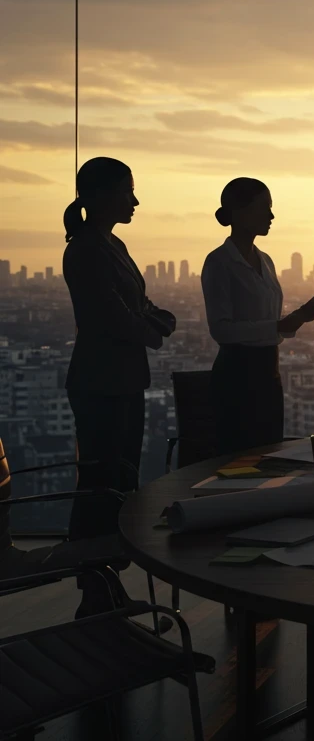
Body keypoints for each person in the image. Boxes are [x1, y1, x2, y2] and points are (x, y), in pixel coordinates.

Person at [62, 156, 175, 615]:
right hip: (102, 380)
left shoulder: (110, 244)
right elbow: (112, 316)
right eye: (127, 191)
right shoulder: (87, 249)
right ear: (100, 196)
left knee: (117, 480)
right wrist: (152, 330)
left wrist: (152, 319)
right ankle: (96, 585)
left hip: (120, 379)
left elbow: (134, 305)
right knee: (100, 485)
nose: (135, 200)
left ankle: (104, 584)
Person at [201, 178, 314, 454]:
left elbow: (270, 322)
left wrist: (296, 319)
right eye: (264, 208)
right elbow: (221, 330)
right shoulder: (218, 262)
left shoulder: (265, 260)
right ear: (241, 213)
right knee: (240, 456)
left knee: (268, 452)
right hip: (237, 374)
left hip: (269, 372)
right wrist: (278, 325)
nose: (271, 216)